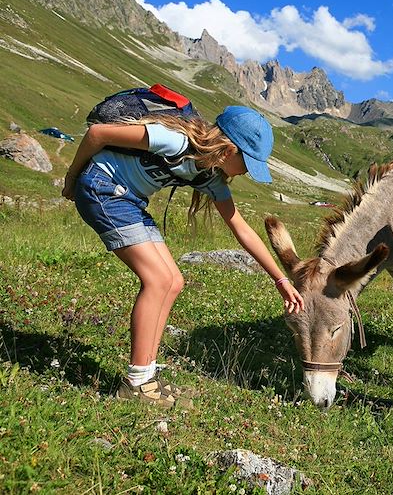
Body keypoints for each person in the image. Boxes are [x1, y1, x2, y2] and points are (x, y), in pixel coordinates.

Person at [61, 106, 304, 407]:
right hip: (103, 190)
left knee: (173, 281)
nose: (246, 172)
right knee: (158, 280)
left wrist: (280, 279)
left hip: (130, 200)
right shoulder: (175, 141)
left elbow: (241, 229)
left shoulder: (210, 177)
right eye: (247, 163)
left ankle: (145, 378)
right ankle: (136, 384)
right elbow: (97, 133)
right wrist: (72, 179)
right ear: (229, 149)